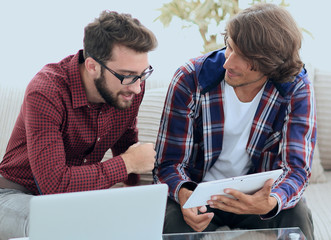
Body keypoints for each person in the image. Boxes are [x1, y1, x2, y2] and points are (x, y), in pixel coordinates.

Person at [154, 3, 316, 240]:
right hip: (200, 195)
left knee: (297, 215)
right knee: (170, 221)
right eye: (230, 47)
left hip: (257, 198)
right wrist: (184, 194)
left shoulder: (295, 87)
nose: (228, 62)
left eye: (243, 57)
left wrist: (271, 201)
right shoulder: (190, 78)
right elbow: (168, 163)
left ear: (270, 64)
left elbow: (297, 169)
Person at [0, 10, 157, 239]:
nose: (137, 87)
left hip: (79, 200)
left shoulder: (128, 91)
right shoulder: (46, 92)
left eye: (143, 75)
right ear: (92, 66)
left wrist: (130, 195)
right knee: (61, 225)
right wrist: (126, 164)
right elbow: (55, 186)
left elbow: (127, 147)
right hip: (15, 194)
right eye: (128, 75)